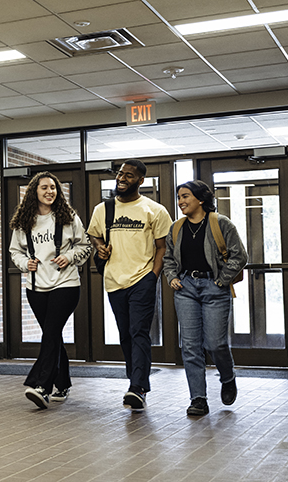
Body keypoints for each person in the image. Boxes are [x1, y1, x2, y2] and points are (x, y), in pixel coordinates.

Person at [88, 160, 172, 412]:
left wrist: (153, 277)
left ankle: (138, 387)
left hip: (142, 280)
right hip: (114, 281)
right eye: (120, 174)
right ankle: (134, 381)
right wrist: (99, 247)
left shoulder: (154, 210)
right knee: (125, 334)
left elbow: (162, 247)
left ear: (140, 181)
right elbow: (94, 234)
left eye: (129, 175)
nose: (122, 178)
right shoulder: (103, 209)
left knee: (139, 332)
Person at [8, 172, 91, 409]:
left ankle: (41, 386)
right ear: (34, 191)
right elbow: (15, 251)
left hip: (65, 285)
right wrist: (25, 264)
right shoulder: (24, 221)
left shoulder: (68, 217)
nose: (49, 192)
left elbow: (85, 247)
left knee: (51, 333)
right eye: (44, 187)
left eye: (53, 187)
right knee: (52, 335)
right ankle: (62, 384)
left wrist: (69, 256)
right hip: (36, 288)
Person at [163, 180, 247, 416]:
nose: (181, 201)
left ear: (200, 199)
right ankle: (198, 398)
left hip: (214, 287)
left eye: (186, 196)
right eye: (179, 197)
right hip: (186, 288)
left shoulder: (221, 223)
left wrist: (222, 280)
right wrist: (171, 277)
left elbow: (239, 256)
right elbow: (168, 258)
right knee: (190, 346)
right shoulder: (176, 227)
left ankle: (227, 377)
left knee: (215, 343)